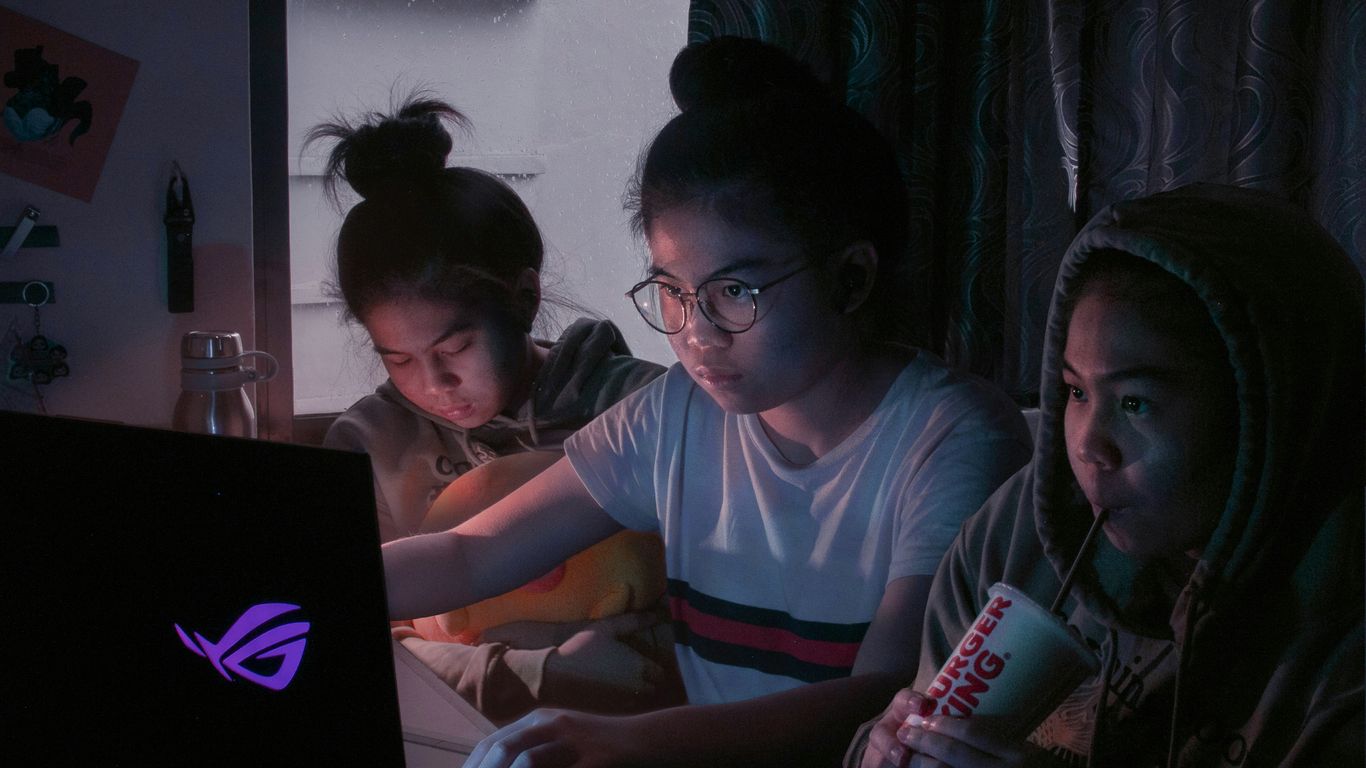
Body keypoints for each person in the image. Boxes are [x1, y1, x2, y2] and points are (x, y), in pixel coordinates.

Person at [382, 38, 1033, 767]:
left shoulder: (953, 435)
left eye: (735, 292)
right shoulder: (678, 414)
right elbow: (474, 555)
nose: (694, 334)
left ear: (850, 278)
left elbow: (878, 693)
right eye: (672, 290)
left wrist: (633, 740)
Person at [849, 183, 1365, 767]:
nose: (1089, 447)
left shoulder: (1341, 617)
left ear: (1264, 409)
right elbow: (914, 713)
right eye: (1075, 391)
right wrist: (882, 747)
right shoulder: (1023, 534)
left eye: (1135, 403)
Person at [308, 94, 674, 723]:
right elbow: (356, 645)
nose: (435, 382)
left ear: (525, 298)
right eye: (397, 359)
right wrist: (537, 672)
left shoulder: (638, 411)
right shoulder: (370, 443)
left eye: (455, 346)